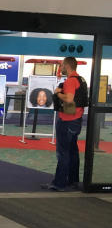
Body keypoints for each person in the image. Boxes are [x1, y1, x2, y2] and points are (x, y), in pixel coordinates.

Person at [43, 56, 87, 191]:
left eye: (62, 65)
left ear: (67, 66)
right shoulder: (81, 80)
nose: (61, 68)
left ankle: (59, 183)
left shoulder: (70, 81)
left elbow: (68, 99)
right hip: (76, 120)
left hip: (67, 121)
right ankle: (73, 180)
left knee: (63, 152)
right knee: (73, 151)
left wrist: (57, 93)